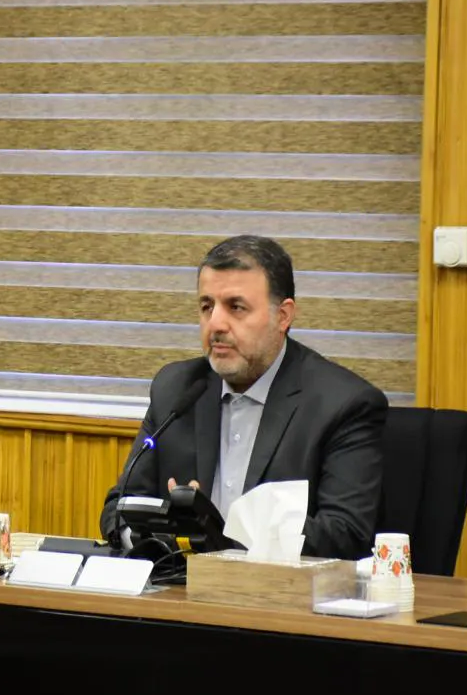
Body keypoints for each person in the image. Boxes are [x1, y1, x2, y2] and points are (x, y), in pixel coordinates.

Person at [99, 234, 386, 561]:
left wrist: (221, 529)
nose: (216, 324)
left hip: (279, 590)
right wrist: (159, 534)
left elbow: (345, 536)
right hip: (181, 584)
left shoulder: (343, 404)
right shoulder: (176, 389)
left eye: (236, 307)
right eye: (207, 306)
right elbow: (119, 508)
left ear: (283, 316)